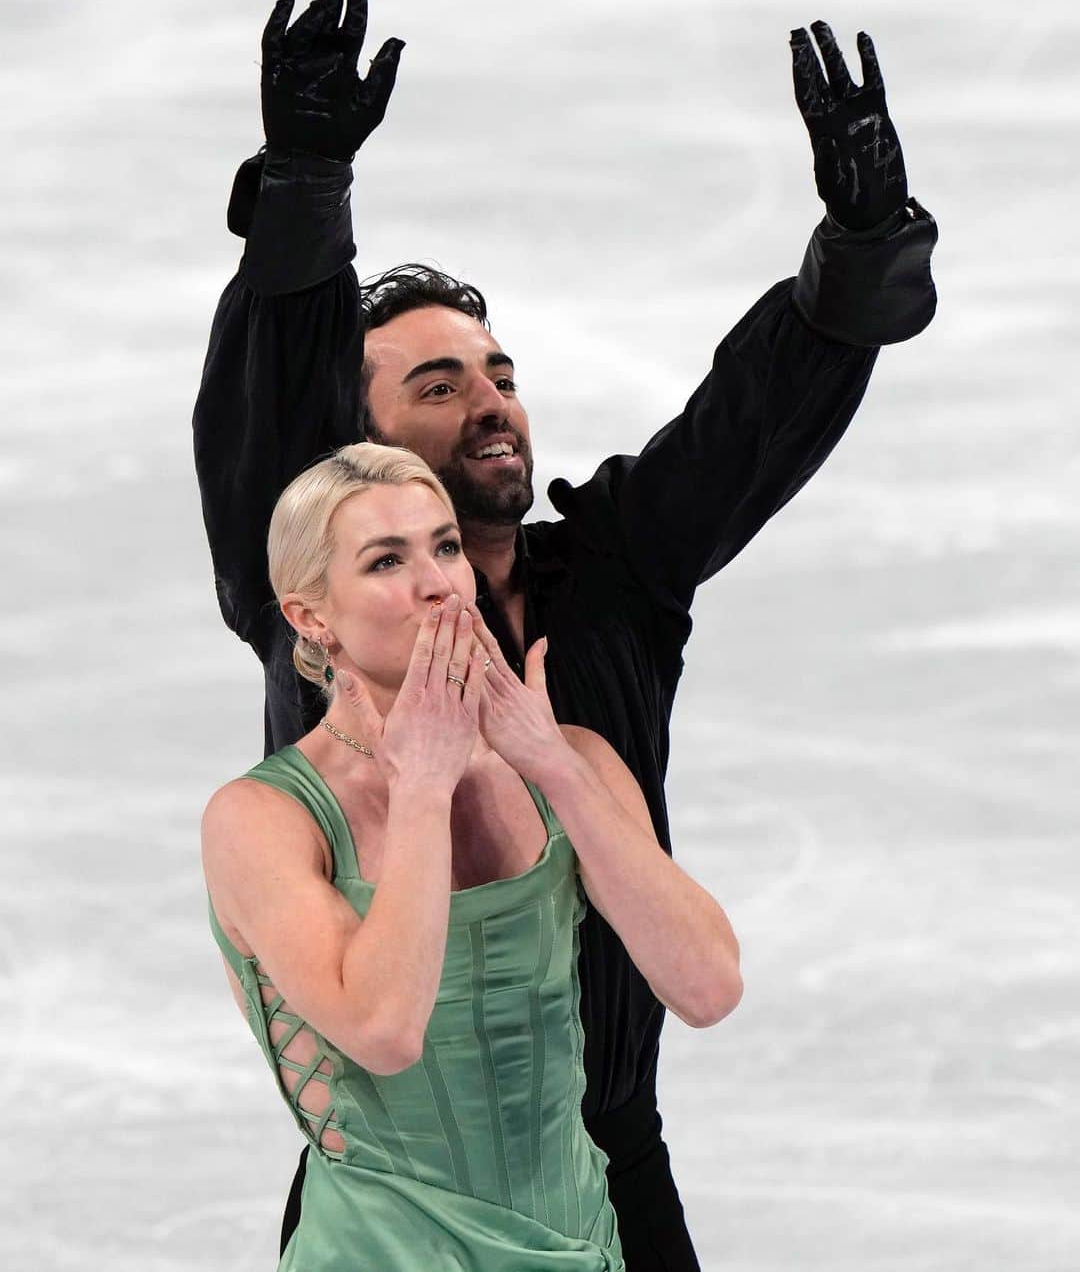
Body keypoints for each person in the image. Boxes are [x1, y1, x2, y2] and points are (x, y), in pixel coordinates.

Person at [194, 0, 938, 1271]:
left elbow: (745, 426)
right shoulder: (312, 601)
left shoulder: (611, 569)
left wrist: (859, 257)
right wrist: (305, 194)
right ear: (360, 442)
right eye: (437, 384)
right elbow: (269, 442)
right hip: (397, 1196)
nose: (490, 403)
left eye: (500, 374)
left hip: (606, 1174)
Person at [202, 443, 743, 1271]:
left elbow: (708, 986)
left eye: (446, 546)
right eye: (387, 559)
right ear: (311, 615)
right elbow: (384, 1030)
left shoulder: (568, 760)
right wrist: (421, 786)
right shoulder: (261, 818)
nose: (439, 583)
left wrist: (554, 763)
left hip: (582, 1239)